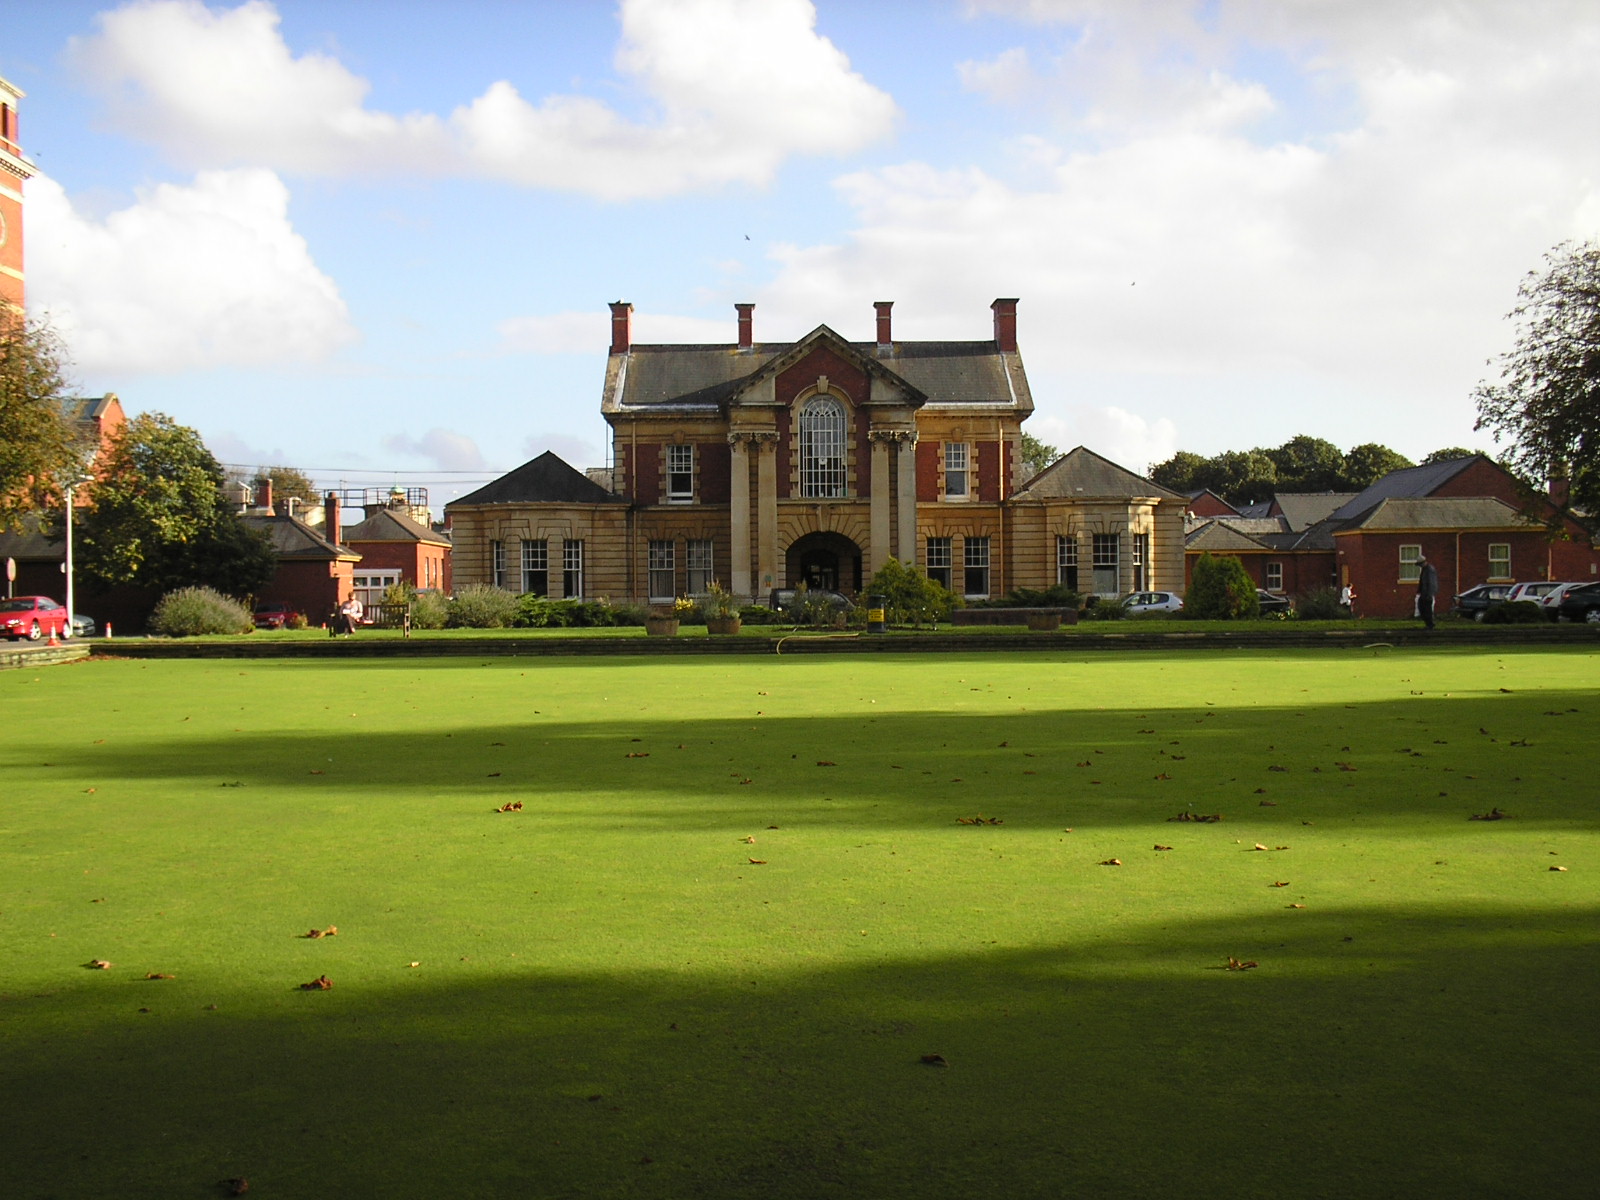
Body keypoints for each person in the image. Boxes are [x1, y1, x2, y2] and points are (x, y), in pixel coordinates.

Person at [1416, 554, 1438, 629]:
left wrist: (1429, 594)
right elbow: (1422, 581)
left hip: (1428, 593)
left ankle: (1430, 624)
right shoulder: (1425, 569)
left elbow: (1432, 583)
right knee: (1422, 607)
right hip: (1423, 593)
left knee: (1427, 609)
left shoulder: (1430, 570)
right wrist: (1419, 590)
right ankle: (1428, 624)